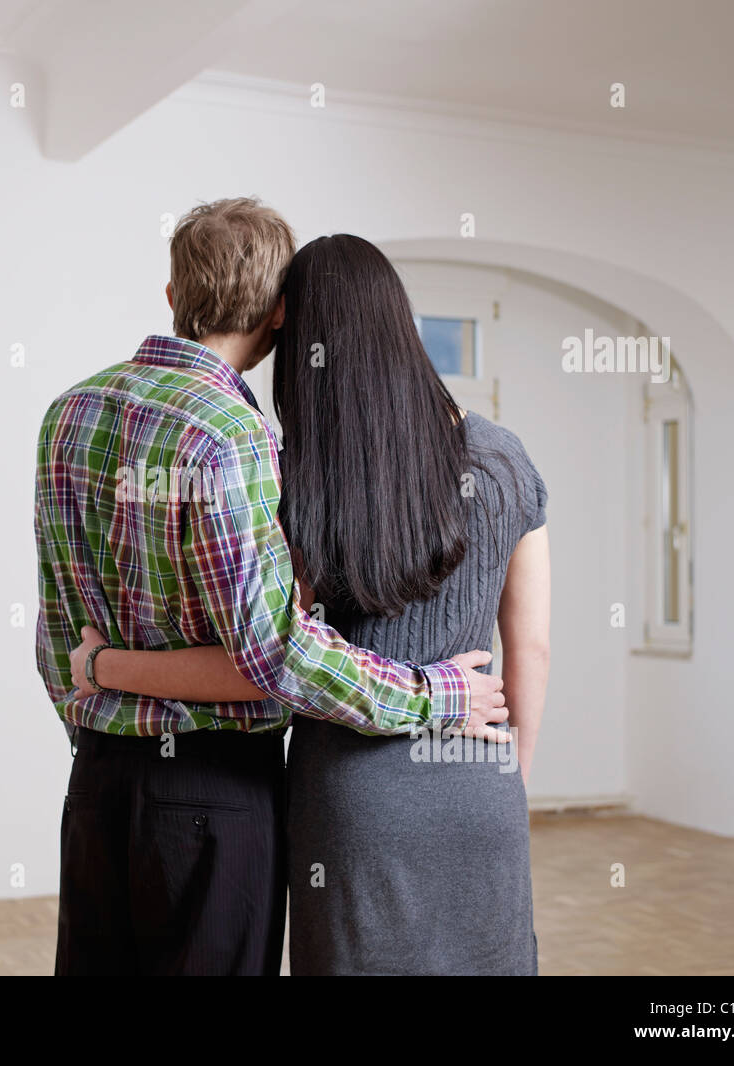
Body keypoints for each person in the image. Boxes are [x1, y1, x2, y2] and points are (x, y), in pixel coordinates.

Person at [35, 200, 508, 976]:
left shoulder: (68, 412)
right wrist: (433, 696)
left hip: (95, 782)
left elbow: (59, 630)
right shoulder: (230, 432)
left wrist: (102, 698)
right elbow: (274, 651)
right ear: (281, 309)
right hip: (213, 793)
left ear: (171, 295)